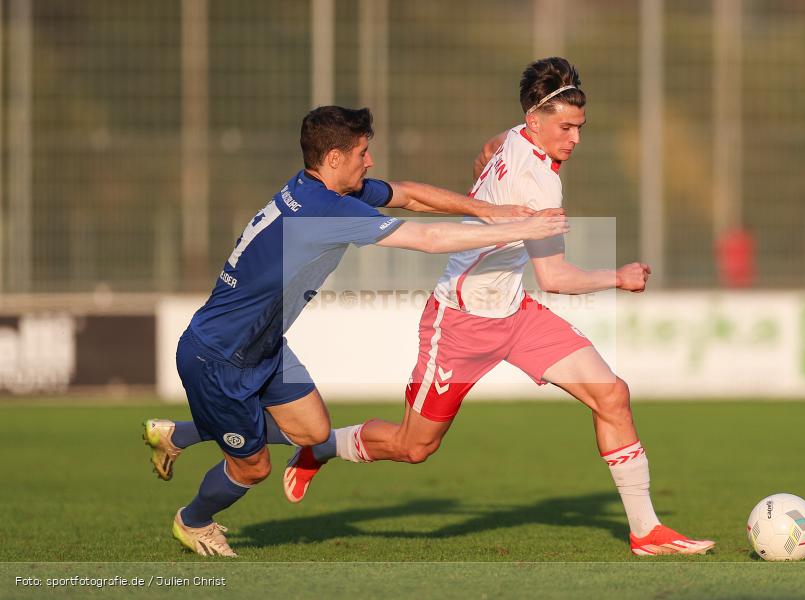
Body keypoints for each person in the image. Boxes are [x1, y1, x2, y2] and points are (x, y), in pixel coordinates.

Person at [282, 58, 715, 557]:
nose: (574, 139)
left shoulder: (516, 135)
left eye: (580, 127)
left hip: (515, 313)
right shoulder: (540, 183)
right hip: (459, 322)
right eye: (566, 128)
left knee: (612, 395)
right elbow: (556, 278)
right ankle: (322, 446)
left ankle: (645, 530)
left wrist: (481, 180)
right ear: (535, 121)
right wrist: (618, 278)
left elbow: (489, 150)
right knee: (414, 447)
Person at [142, 105, 567, 557]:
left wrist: (488, 210)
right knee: (252, 468)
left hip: (263, 347)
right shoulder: (323, 211)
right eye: (363, 153)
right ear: (333, 159)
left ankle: (179, 434)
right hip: (217, 358)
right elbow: (428, 239)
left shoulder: (319, 190)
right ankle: (193, 521)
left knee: (313, 431)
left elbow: (408, 196)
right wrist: (522, 227)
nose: (370, 162)